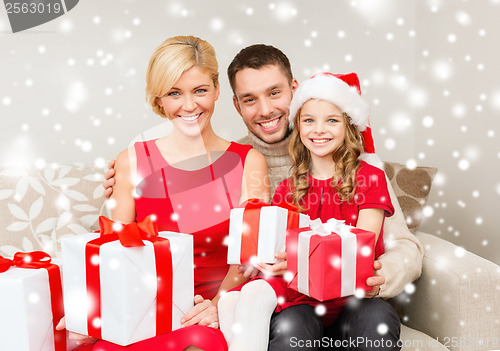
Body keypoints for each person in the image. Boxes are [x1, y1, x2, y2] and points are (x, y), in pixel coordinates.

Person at [104, 44, 424, 350]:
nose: (266, 109)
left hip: (359, 300)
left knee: (374, 320)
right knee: (288, 326)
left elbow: (404, 246)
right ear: (235, 104)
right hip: (292, 304)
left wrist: (377, 278)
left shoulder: (356, 164)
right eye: (250, 99)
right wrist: (124, 187)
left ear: (295, 90)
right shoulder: (239, 161)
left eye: (274, 93)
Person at [65, 35, 270, 351]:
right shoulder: (130, 161)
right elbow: (113, 255)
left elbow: (250, 258)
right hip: (141, 316)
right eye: (175, 93)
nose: (189, 105)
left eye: (200, 90)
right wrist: (88, 313)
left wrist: (217, 304)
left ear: (217, 89)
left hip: (204, 316)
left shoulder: (249, 162)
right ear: (159, 99)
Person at [219, 72, 399, 351]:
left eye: (331, 120)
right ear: (298, 126)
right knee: (292, 331)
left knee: (376, 321)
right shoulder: (288, 190)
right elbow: (280, 252)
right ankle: (245, 305)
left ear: (349, 126)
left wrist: (299, 261)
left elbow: (358, 250)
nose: (319, 130)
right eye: (309, 120)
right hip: (302, 300)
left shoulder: (370, 179)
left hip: (356, 298)